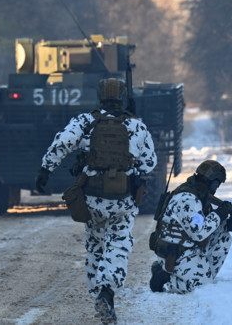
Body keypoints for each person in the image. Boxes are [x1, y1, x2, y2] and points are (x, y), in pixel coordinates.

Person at [34, 78, 157, 324]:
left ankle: (97, 293)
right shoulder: (136, 125)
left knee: (95, 245)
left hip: (91, 198)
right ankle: (106, 292)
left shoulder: (85, 121)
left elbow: (63, 142)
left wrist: (46, 170)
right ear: (123, 97)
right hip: (122, 200)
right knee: (118, 244)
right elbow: (148, 163)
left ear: (99, 96)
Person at [148, 160, 232, 294]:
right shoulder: (188, 199)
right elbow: (198, 232)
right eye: (217, 184)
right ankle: (166, 278)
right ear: (212, 182)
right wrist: (218, 214)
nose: (216, 188)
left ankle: (201, 275)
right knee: (200, 287)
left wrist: (229, 223)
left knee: (224, 238)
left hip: (187, 247)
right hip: (175, 252)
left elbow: (204, 225)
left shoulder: (199, 196)